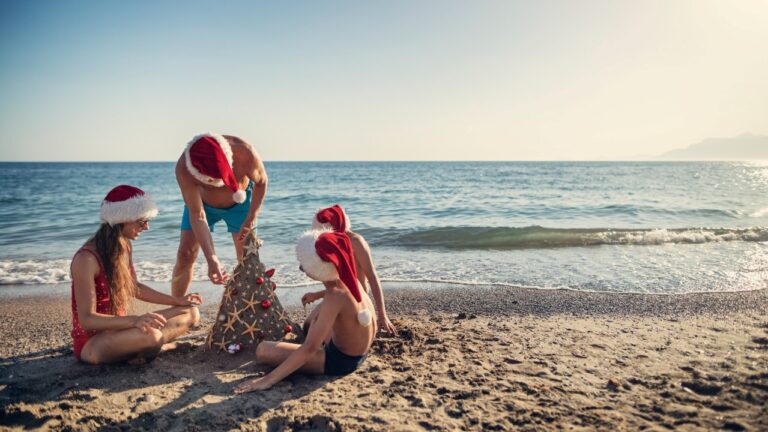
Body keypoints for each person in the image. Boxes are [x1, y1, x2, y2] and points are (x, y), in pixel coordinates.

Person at [71, 185, 202, 365]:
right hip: (92, 343)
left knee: (190, 312)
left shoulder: (124, 247)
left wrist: (177, 301)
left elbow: (135, 288)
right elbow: (87, 320)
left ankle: (143, 347)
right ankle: (153, 346)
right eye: (141, 221)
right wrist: (135, 321)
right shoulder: (86, 259)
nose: (146, 227)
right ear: (122, 219)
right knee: (152, 337)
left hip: (124, 330)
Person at [234, 230, 376, 393]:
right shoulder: (348, 279)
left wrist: (267, 380)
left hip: (341, 361)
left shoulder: (335, 295)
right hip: (361, 350)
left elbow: (309, 349)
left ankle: (286, 366)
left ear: (317, 267)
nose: (302, 268)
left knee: (264, 350)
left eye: (304, 266)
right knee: (312, 321)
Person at [172, 133, 267, 297]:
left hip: (241, 203)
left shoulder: (245, 153)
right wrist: (211, 258)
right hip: (202, 206)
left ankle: (250, 310)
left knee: (247, 259)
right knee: (185, 254)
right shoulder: (183, 167)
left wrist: (251, 216)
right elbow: (197, 214)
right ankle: (176, 305)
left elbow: (262, 182)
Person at [302, 205, 397, 335]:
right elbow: (340, 285)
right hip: (341, 297)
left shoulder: (356, 242)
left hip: (358, 302)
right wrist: (316, 295)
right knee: (307, 326)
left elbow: (372, 278)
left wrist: (382, 315)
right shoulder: (332, 244)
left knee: (316, 331)